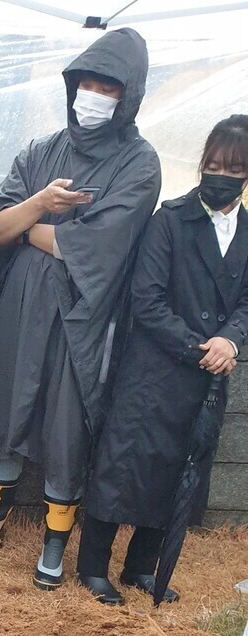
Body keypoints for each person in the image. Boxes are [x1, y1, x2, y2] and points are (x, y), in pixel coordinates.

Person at [0, 28, 161, 591]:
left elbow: (102, 249)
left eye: (108, 86)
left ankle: (55, 538)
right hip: (21, 308)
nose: (93, 94)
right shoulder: (42, 150)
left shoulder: (140, 165)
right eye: (86, 82)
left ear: (129, 97)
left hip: (84, 318)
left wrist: (31, 227)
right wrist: (40, 206)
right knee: (8, 397)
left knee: (66, 417)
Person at [77, 117, 248, 604]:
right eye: (212, 165)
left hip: (208, 378)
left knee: (178, 468)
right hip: (153, 371)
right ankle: (93, 567)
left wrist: (231, 342)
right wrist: (203, 348)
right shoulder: (169, 220)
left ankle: (141, 568)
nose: (219, 176)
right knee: (124, 463)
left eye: (232, 168)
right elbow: (146, 300)